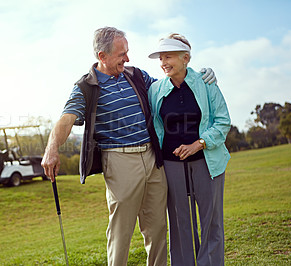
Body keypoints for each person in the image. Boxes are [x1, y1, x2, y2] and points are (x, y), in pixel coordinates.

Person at [41, 27, 216, 266]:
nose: (128, 58)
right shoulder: (86, 87)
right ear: (102, 56)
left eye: (127, 52)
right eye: (122, 54)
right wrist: (52, 148)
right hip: (120, 161)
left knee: (157, 229)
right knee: (121, 232)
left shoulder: (137, 75)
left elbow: (171, 86)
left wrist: (199, 75)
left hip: (153, 159)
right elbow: (67, 118)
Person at [148, 33, 231, 266]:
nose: (164, 62)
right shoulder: (155, 89)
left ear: (186, 58)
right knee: (179, 223)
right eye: (161, 57)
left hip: (207, 162)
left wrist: (199, 144)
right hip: (171, 166)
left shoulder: (206, 83)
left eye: (169, 56)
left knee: (211, 222)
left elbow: (223, 121)